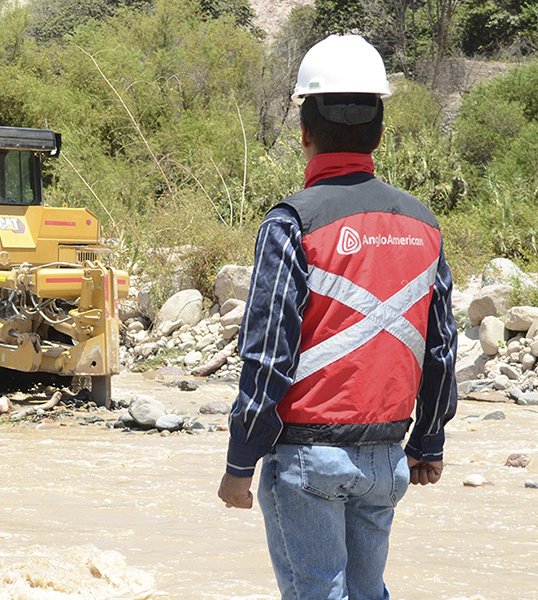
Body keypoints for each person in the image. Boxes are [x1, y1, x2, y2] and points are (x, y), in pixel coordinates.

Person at [216, 35, 457, 600]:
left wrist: (239, 461)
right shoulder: (424, 225)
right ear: (379, 128)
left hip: (307, 459)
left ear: (304, 132)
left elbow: (269, 352)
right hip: (388, 459)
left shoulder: (291, 224)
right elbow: (442, 348)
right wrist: (429, 441)